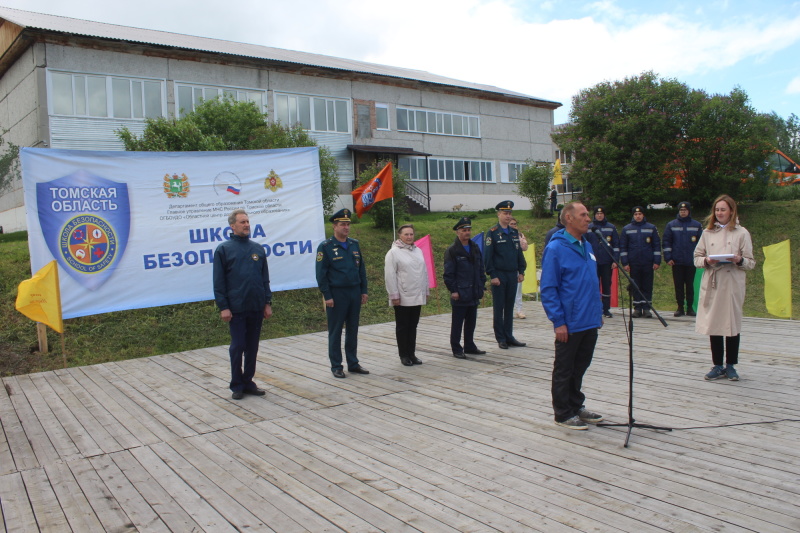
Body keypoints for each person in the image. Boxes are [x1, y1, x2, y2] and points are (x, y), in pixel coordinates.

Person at [540, 202, 604, 430]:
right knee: (565, 368)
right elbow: (548, 288)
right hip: (569, 322)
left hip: (589, 319)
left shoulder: (586, 245)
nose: (589, 219)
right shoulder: (556, 248)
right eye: (583, 215)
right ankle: (562, 413)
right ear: (569, 218)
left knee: (580, 367)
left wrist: (597, 312)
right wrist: (558, 322)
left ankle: (576, 405)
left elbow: (590, 282)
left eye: (588, 214)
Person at [213, 209, 273, 400]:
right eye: (242, 222)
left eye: (248, 221)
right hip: (236, 308)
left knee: (252, 347)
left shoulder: (257, 249)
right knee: (238, 346)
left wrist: (267, 302)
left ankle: (248, 381)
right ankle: (236, 384)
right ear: (232, 226)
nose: (247, 225)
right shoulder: (224, 250)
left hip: (256, 306)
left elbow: (265, 279)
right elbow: (219, 282)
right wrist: (224, 306)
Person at [693, 195, 755, 381]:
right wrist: (707, 260)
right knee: (714, 324)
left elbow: (750, 262)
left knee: (731, 323)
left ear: (731, 211)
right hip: (713, 282)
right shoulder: (707, 233)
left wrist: (739, 260)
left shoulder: (741, 233)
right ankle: (717, 364)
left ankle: (731, 365)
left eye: (723, 209)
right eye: (717, 210)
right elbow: (696, 258)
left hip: (732, 283)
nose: (719, 213)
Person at [315, 208, 370, 378]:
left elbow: (361, 269)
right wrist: (327, 295)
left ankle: (353, 363)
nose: (346, 227)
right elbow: (321, 274)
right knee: (336, 330)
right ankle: (336, 366)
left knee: (353, 329)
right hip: (337, 294)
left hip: (354, 292)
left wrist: (364, 290)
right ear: (334, 226)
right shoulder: (326, 247)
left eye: (348, 224)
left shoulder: (354, 244)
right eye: (342, 225)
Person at [484, 200, 527, 349]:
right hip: (499, 275)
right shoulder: (493, 232)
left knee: (509, 307)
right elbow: (488, 257)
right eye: (505, 213)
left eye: (510, 213)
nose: (508, 216)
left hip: (512, 274)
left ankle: (509, 336)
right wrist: (492, 275)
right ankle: (500, 338)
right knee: (499, 307)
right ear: (499, 214)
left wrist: (521, 270)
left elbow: (519, 254)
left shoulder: (514, 232)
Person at [384, 224, 428, 366]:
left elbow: (424, 272)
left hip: (417, 294)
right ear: (400, 236)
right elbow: (389, 275)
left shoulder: (418, 251)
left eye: (411, 234)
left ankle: (412, 354)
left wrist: (425, 290)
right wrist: (394, 295)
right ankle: (403, 355)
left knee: (413, 326)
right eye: (406, 234)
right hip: (402, 296)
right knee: (403, 326)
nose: (409, 237)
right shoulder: (393, 253)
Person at [443, 217, 487, 358]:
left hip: (473, 291)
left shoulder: (474, 247)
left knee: (471, 322)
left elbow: (480, 268)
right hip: (460, 292)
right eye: (464, 230)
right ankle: (456, 348)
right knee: (457, 323)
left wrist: (481, 284)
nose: (467, 233)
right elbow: (448, 274)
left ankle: (469, 345)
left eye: (468, 230)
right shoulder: (452, 250)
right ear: (457, 232)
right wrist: (454, 290)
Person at [662, 201, 703, 317]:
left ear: (689, 211)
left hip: (691, 261)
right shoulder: (671, 225)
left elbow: (701, 243)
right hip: (677, 261)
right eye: (681, 210)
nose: (683, 212)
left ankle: (690, 308)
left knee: (690, 285)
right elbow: (666, 242)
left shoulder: (696, 225)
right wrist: (668, 257)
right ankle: (680, 307)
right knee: (678, 285)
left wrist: (699, 257)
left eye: (685, 210)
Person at [620, 206, 661, 318]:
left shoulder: (651, 228)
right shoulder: (627, 229)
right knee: (635, 286)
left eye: (640, 214)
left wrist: (657, 261)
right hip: (634, 263)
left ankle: (647, 308)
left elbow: (656, 245)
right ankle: (637, 308)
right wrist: (625, 262)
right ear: (633, 216)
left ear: (643, 215)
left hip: (648, 262)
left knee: (647, 285)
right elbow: (623, 247)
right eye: (635, 214)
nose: (638, 216)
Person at [587, 206, 619, 318]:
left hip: (607, 262)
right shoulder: (589, 228)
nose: (599, 215)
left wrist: (615, 259)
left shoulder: (611, 227)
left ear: (604, 215)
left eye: (601, 214)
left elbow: (616, 245)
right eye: (597, 214)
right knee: (593, 285)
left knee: (606, 285)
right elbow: (585, 245)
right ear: (594, 215)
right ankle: (595, 308)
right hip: (593, 262)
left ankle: (606, 309)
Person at [509, 217, 528, 319]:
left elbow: (525, 247)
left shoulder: (519, 235)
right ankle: (508, 310)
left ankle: (519, 310)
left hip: (517, 266)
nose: (513, 225)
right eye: (511, 224)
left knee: (518, 290)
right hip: (506, 267)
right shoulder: (502, 235)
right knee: (508, 291)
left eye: (515, 224)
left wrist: (520, 238)